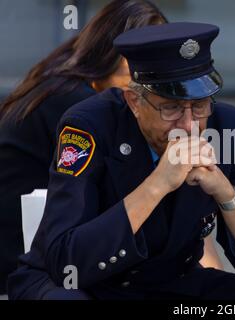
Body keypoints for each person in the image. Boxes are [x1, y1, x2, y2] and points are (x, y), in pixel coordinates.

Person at [8, 22, 235, 300]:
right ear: (134, 101)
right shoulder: (87, 125)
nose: (188, 125)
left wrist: (225, 194)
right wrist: (157, 184)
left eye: (198, 106)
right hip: (86, 286)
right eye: (170, 108)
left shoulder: (229, 127)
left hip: (171, 285)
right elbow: (68, 264)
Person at [0, 0, 220, 296]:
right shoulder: (80, 110)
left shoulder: (63, 80)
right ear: (105, 57)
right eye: (142, 62)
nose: (156, 78)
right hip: (23, 256)